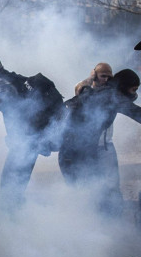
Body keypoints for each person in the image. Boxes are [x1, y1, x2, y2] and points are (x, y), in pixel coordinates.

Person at [0, 53, 63, 210]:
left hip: (24, 145)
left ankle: (15, 223)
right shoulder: (14, 79)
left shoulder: (2, 85)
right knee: (15, 187)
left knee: (10, 190)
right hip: (31, 142)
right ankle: (17, 220)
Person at [59, 69, 141, 216]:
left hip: (68, 152)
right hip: (78, 154)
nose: (134, 94)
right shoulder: (113, 96)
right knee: (89, 197)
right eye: (133, 89)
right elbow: (136, 113)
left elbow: (82, 90)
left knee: (84, 196)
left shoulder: (98, 92)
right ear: (124, 86)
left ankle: (83, 227)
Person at [72, 63, 122, 211]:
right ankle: (95, 211)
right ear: (95, 75)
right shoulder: (86, 89)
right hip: (88, 147)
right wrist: (91, 78)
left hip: (106, 145)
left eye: (109, 76)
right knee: (93, 181)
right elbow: (78, 89)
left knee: (112, 180)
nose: (106, 79)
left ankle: (114, 212)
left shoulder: (112, 92)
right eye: (103, 76)